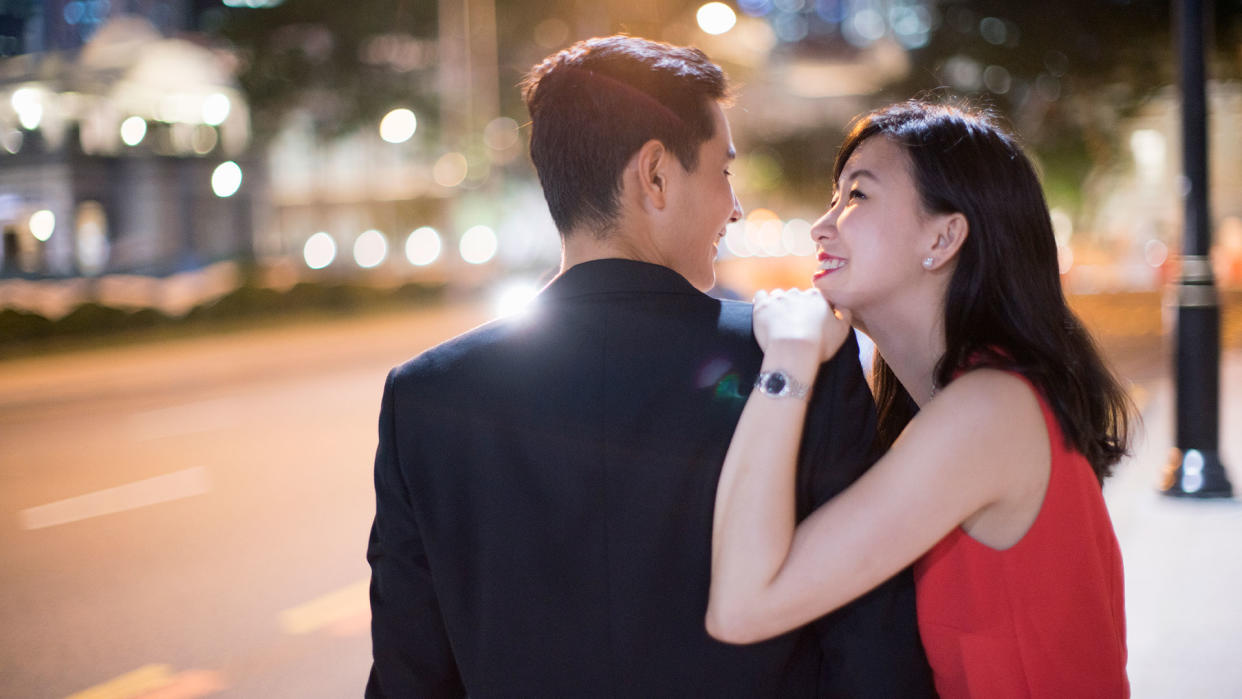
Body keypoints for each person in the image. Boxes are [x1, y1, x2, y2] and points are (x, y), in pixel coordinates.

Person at [366, 36, 934, 697]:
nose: (736, 206)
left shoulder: (426, 396)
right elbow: (872, 645)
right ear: (655, 176)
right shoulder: (799, 356)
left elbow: (411, 675)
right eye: (723, 171)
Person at [707, 99, 1132, 697]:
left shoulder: (987, 414)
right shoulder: (970, 403)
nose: (821, 225)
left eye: (857, 196)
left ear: (944, 236)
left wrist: (789, 356)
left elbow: (743, 607)